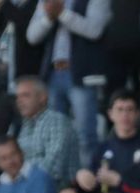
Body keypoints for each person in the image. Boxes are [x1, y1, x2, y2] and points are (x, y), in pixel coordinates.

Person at [25, 0, 110, 171]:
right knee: (54, 135)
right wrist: (48, 18)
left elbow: (95, 30)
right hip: (53, 74)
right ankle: (60, 181)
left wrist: (63, 14)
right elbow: (32, 36)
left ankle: (89, 181)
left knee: (86, 135)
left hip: (82, 75)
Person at [7, 76, 78, 191]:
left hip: (57, 191)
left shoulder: (56, 121)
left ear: (42, 97)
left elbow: (53, 168)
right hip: (27, 187)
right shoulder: (23, 126)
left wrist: (21, 169)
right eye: (17, 97)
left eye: (25, 95)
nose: (19, 101)